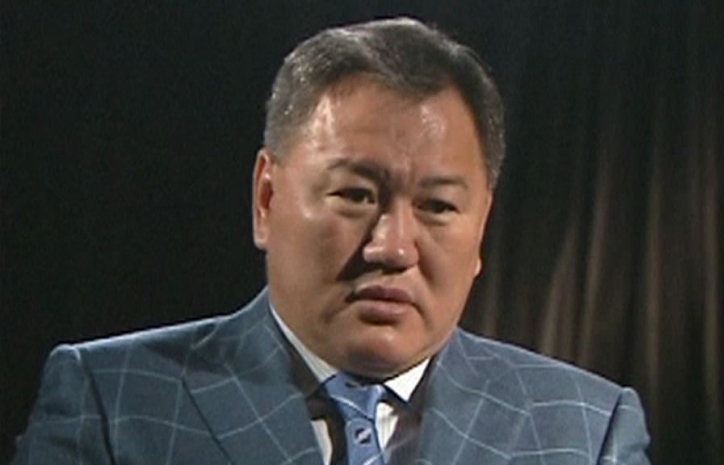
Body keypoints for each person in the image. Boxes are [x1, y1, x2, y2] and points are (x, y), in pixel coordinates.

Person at [13, 17, 650, 464]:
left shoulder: (585, 431)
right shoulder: (113, 401)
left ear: (481, 224)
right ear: (267, 199)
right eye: (356, 195)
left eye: (436, 206)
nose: (392, 248)